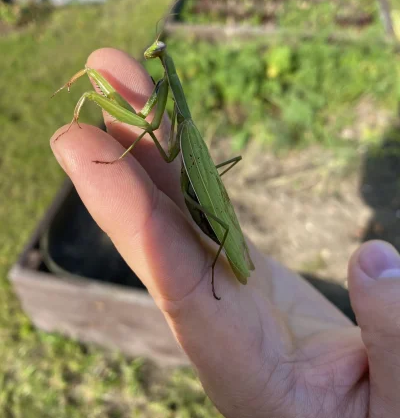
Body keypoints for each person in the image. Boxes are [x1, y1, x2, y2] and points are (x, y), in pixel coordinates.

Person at [51, 48, 400, 418]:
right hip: (196, 179)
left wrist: (120, 154)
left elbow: (153, 131)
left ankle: (222, 248)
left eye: (157, 55)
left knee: (176, 172)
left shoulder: (180, 124)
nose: (153, 54)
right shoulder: (180, 120)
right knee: (170, 165)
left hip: (203, 198)